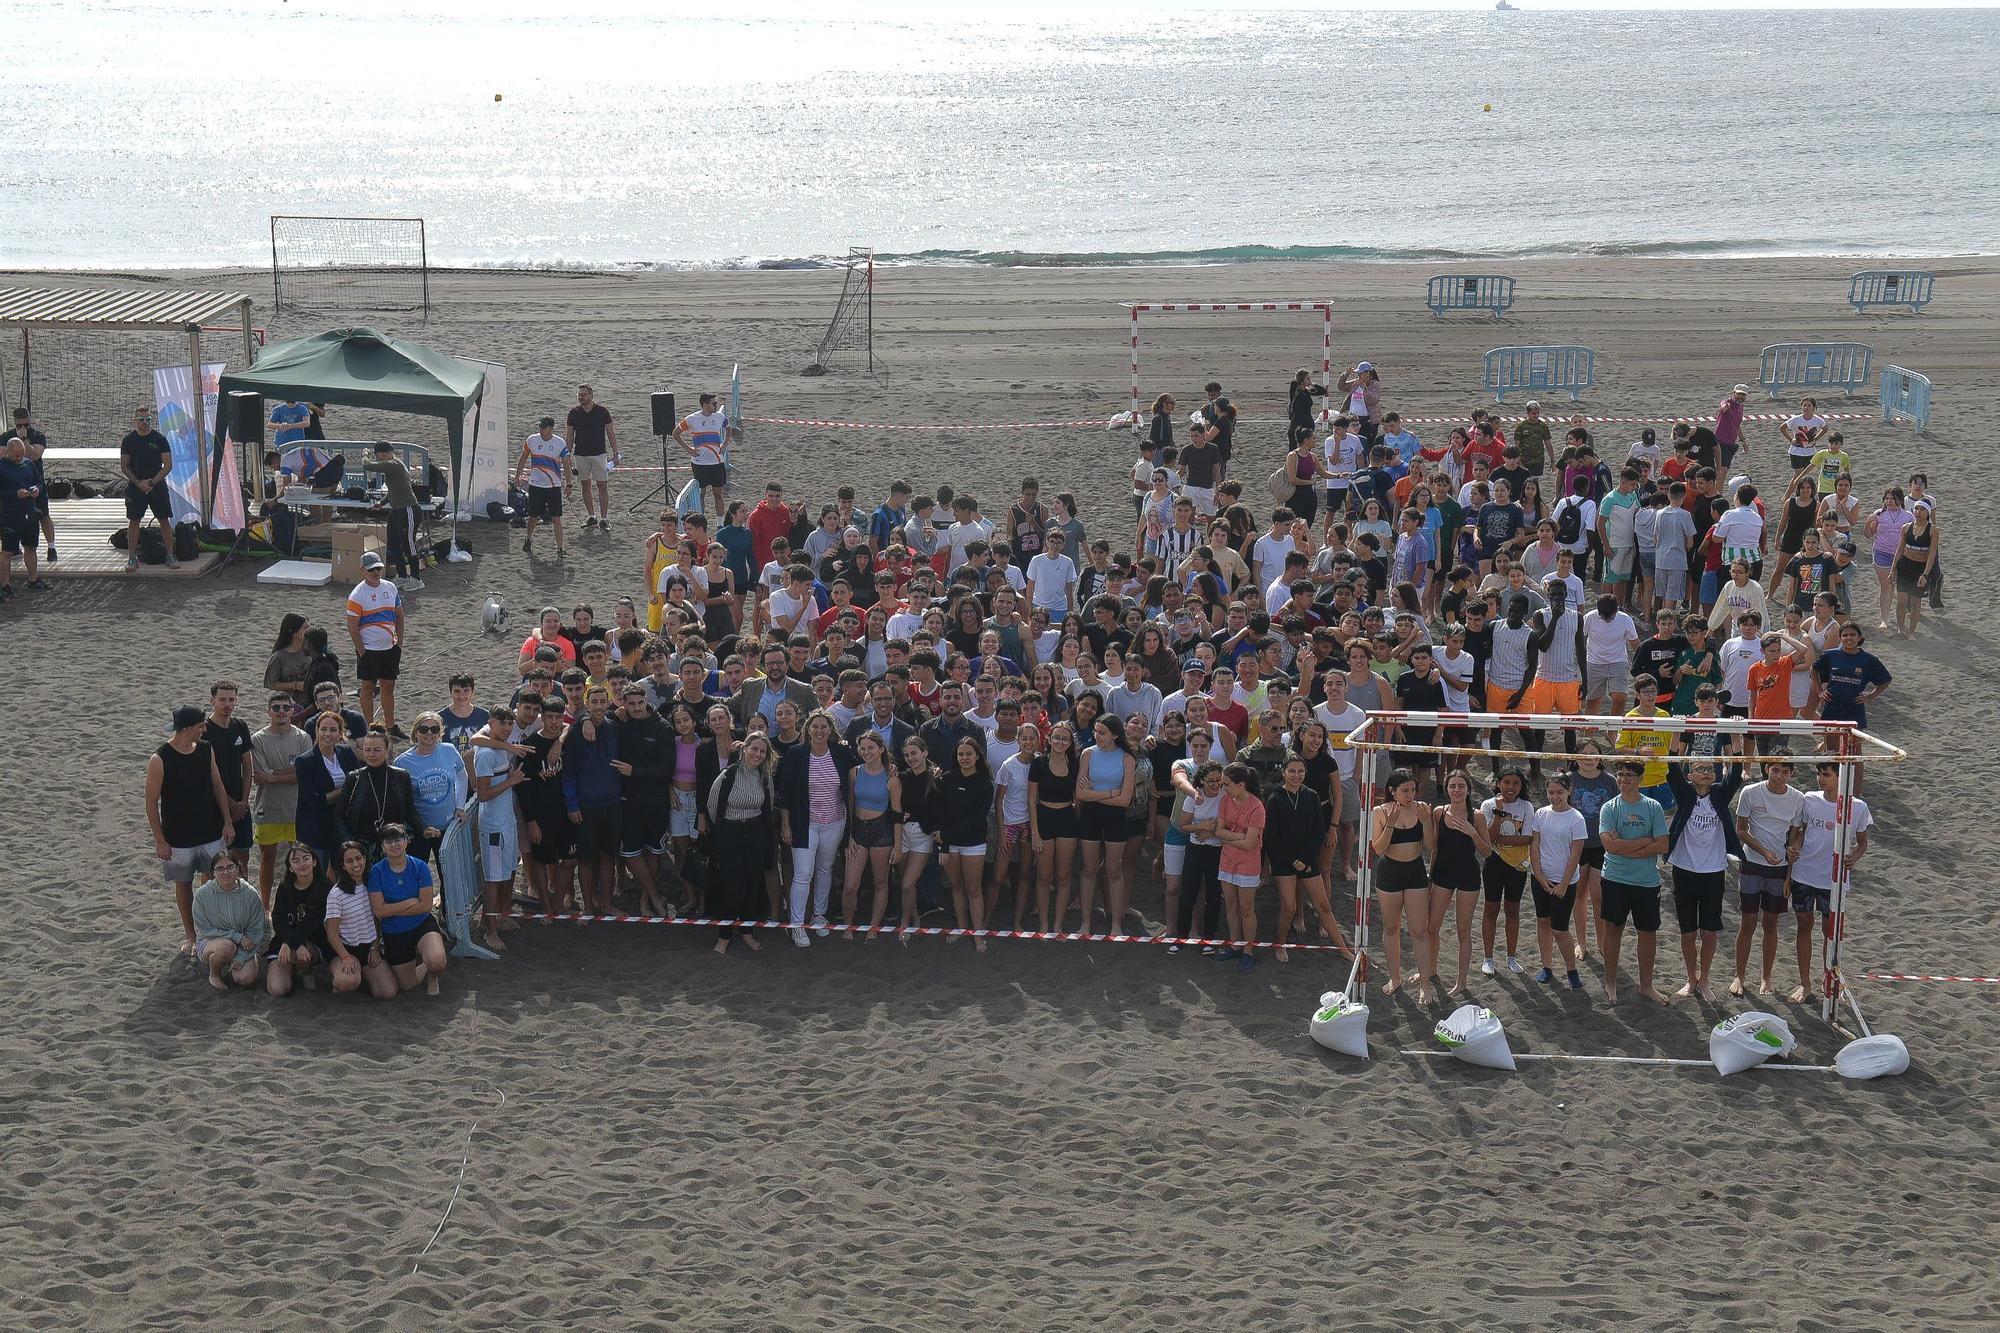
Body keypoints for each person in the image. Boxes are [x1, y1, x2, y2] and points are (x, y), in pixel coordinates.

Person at [147, 704, 235, 955]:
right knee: (183, 883)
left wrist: (227, 821)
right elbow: (151, 802)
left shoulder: (206, 749)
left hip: (210, 830)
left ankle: (209, 929)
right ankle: (190, 933)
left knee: (211, 880)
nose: (205, 729)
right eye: (200, 726)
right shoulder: (160, 758)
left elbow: (217, 785)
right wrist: (160, 840)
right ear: (187, 729)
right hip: (178, 836)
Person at [1787, 760, 1871, 1003]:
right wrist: (1794, 848)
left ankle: (1829, 980)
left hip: (1833, 879)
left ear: (1839, 776)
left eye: (1826, 774)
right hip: (1804, 873)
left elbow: (1863, 842)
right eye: (1818, 774)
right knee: (1804, 926)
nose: (1820, 779)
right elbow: (1801, 831)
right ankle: (1804, 984)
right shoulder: (1809, 799)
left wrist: (1853, 857)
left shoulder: (1858, 807)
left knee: (1830, 933)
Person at [1664, 759, 1745, 1001]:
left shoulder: (1720, 796)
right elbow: (1672, 768)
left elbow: (1736, 771)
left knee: (1709, 932)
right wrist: (1679, 731)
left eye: (1710, 769)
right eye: (1699, 769)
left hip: (1713, 872)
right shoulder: (1685, 795)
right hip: (1684, 870)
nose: (1706, 772)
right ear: (1690, 776)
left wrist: (1736, 735)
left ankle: (1705, 980)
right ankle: (1691, 979)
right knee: (1688, 932)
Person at [778, 712, 856, 946]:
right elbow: (786, 792)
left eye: (824, 727)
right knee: (803, 874)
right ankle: (797, 924)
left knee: (825, 869)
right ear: (808, 730)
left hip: (835, 821)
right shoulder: (795, 754)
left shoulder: (841, 753)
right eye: (815, 727)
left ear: (830, 730)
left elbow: (858, 775)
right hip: (804, 824)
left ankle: (819, 914)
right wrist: (785, 823)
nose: (820, 731)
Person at [1596, 761, 1670, 1005]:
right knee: (1613, 930)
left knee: (1647, 933)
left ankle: (1646, 986)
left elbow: (1662, 845)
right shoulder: (1609, 807)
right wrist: (1644, 842)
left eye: (1629, 775)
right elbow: (1609, 846)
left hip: (1646, 881)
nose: (1623, 779)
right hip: (1615, 878)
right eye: (1620, 775)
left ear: (1640, 778)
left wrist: (1624, 848)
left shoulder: (1653, 807)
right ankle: (1611, 982)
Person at [1732, 758, 1807, 997]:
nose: (1779, 776)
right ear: (1766, 769)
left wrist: (1789, 873)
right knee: (1748, 922)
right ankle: (1739, 976)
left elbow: (1795, 836)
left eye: (1785, 771)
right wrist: (1763, 851)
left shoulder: (1797, 798)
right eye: (1775, 770)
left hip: (1779, 868)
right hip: (1752, 863)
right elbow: (1741, 830)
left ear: (1791, 774)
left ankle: (1766, 977)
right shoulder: (1751, 792)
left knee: (1771, 923)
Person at [1427, 768, 1490, 998]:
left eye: (1461, 786)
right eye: (1452, 786)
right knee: (1431, 927)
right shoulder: (1438, 812)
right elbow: (1435, 847)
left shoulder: (1478, 815)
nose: (1456, 790)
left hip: (1467, 874)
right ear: (1447, 789)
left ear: (1468, 789)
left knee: (1463, 931)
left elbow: (1487, 852)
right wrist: (1430, 876)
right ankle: (1431, 970)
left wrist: (1473, 833)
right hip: (1443, 873)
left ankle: (1461, 981)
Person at [1369, 767, 1431, 994]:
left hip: (1415, 871)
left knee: (1419, 930)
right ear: (1392, 791)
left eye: (1413, 790)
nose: (1410, 795)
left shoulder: (1421, 809)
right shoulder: (1381, 811)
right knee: (1391, 927)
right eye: (1405, 790)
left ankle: (1425, 983)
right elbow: (1378, 849)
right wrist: (1391, 824)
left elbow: (1431, 845)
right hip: (1390, 873)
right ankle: (1395, 977)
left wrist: (1426, 822)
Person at [469, 706, 527, 950]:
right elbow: (483, 794)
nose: (506, 728)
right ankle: (490, 932)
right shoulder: (486, 754)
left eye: (509, 724)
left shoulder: (498, 746)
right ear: (490, 724)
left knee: (508, 873)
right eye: (501, 724)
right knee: (493, 879)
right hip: (493, 825)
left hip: (506, 821)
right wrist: (511, 781)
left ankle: (492, 920)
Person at [1074, 716, 1136, 940]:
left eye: (1102, 732)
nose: (1096, 736)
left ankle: (1116, 924)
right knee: (1089, 869)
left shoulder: (1127, 758)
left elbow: (1125, 800)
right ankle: (1085, 923)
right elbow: (1080, 794)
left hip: (1115, 817)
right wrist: (1111, 793)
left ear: (1115, 735)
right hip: (1090, 816)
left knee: (1113, 870)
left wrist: (1096, 795)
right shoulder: (1088, 754)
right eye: (1096, 731)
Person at [367, 824, 447, 995]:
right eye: (388, 841)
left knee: (438, 961)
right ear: (382, 846)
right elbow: (379, 912)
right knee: (407, 986)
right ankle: (425, 965)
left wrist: (392, 910)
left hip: (421, 924)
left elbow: (425, 907)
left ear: (406, 842)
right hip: (394, 931)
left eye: (398, 840)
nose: (394, 844)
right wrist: (410, 901)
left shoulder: (419, 867)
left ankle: (432, 974)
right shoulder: (377, 871)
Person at [249, 691, 313, 903]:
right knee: (268, 859)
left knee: (301, 860)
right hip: (269, 809)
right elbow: (260, 776)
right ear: (269, 711)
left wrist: (273, 775)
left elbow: (304, 775)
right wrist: (289, 772)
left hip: (298, 810)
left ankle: (300, 901)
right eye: (276, 708)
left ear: (292, 710)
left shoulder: (303, 737)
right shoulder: (258, 739)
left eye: (286, 707)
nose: (282, 712)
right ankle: (265, 905)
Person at [1527, 772, 1587, 990]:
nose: (1554, 796)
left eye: (1559, 792)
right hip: (1541, 878)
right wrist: (1540, 876)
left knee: (1560, 929)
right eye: (1551, 792)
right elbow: (1534, 845)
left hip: (1565, 881)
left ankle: (1571, 970)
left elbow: (1575, 854)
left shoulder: (1576, 818)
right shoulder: (1541, 814)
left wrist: (1563, 883)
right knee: (1542, 922)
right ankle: (1547, 966)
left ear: (1569, 791)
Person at [393, 711, 469, 866]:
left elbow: (462, 776)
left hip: (448, 828)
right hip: (419, 831)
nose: (429, 733)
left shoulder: (449, 750)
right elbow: (401, 800)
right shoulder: (402, 762)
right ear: (415, 732)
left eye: (434, 729)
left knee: (448, 876)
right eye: (423, 729)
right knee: (418, 876)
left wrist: (460, 806)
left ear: (440, 732)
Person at [324, 841, 397, 999]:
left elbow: (376, 919)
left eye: (358, 858)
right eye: (349, 861)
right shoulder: (336, 894)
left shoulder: (373, 884)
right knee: (347, 982)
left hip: (368, 947)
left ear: (365, 858)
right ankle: (338, 982)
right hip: (344, 949)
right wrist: (345, 957)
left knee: (387, 992)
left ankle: (364, 976)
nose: (355, 864)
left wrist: (374, 947)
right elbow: (332, 933)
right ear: (342, 866)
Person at [344, 551, 406, 736]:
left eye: (378, 568)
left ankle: (390, 726)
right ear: (362, 570)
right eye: (371, 569)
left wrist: (399, 643)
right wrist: (362, 650)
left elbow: (399, 616)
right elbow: (352, 626)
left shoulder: (390, 588)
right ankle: (370, 727)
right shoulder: (357, 595)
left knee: (388, 686)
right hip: (369, 649)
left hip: (389, 647)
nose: (375, 572)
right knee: (368, 688)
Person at [1214, 762, 1267, 972]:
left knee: (1246, 909)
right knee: (1231, 906)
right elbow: (1220, 832)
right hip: (1228, 861)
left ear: (1241, 785)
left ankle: (1248, 950)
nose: (1223, 788)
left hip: (1247, 864)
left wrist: (1230, 837)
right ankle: (1235, 944)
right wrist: (1238, 837)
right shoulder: (1226, 800)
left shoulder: (1257, 807)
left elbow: (1248, 844)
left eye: (1226, 784)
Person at [192, 849, 267, 991]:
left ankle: (238, 961)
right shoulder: (202, 895)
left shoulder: (250, 894)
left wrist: (242, 956)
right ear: (213, 873)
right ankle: (214, 974)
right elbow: (205, 929)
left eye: (230, 867)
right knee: (227, 947)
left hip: (245, 944)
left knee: (244, 978)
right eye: (219, 869)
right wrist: (237, 937)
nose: (225, 872)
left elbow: (256, 930)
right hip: (212, 941)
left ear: (238, 869)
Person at [266, 842, 333, 996]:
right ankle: (291, 970)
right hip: (285, 942)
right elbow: (278, 922)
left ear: (314, 861)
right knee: (278, 989)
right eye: (295, 861)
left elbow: (312, 921)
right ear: (290, 867)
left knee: (302, 954)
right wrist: (291, 943)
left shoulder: (325, 887)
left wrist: (295, 944)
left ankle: (306, 972)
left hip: (313, 942)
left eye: (306, 858)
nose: (302, 864)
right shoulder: (284, 888)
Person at [338, 729, 417, 859]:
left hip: (394, 845)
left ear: (387, 750)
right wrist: (350, 843)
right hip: (363, 848)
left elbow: (410, 811)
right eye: (367, 750)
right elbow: (339, 815)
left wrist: (424, 829)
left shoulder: (401, 776)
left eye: (376, 750)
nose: (371, 754)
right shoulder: (354, 778)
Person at [119, 407, 179, 572]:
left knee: (164, 519)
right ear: (135, 421)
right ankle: (132, 557)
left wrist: (152, 483)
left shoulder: (159, 439)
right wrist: (139, 483)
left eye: (147, 420)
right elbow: (124, 466)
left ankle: (170, 555)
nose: (144, 423)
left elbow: (168, 465)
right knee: (134, 521)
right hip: (136, 486)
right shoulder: (128, 440)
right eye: (141, 420)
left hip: (156, 485)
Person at [362, 441, 424, 589]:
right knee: (394, 544)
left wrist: (365, 454)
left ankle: (416, 579)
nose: (377, 459)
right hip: (396, 511)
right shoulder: (392, 467)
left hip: (408, 510)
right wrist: (381, 504)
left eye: (377, 456)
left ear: (383, 454)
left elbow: (367, 465)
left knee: (409, 545)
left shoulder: (393, 464)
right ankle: (402, 575)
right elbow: (393, 491)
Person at [513, 415, 573, 557]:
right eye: (539, 426)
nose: (540, 429)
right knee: (533, 517)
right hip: (536, 485)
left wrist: (569, 484)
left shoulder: (560, 443)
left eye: (543, 427)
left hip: (553, 486)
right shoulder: (532, 440)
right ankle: (528, 538)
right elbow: (523, 458)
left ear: (551, 428)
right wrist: (517, 476)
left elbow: (566, 463)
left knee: (556, 518)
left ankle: (560, 548)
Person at [0, 430, 47, 595]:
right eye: (16, 455)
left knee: (31, 547)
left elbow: (39, 482)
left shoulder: (28, 464)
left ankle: (33, 579)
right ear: (7, 452)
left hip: (29, 512)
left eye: (21, 455)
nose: (19, 458)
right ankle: (5, 586)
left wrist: (36, 490)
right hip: (11, 514)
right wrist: (15, 494)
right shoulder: (1, 467)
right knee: (8, 551)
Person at [566, 384, 619, 531]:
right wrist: (566, 454)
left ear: (591, 395)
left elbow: (610, 433)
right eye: (579, 395)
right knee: (585, 484)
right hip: (580, 454)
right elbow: (570, 436)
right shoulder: (574, 413)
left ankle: (604, 518)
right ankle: (591, 517)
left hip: (599, 454)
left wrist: (615, 452)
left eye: (583, 394)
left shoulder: (602, 412)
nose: (581, 397)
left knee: (602, 485)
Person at [675, 391, 732, 518]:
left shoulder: (719, 417)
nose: (716, 405)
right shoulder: (692, 419)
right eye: (714, 403)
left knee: (718, 494)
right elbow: (675, 433)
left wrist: (724, 444)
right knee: (701, 493)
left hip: (717, 462)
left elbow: (728, 427)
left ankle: (719, 523)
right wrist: (688, 449)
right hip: (699, 464)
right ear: (705, 405)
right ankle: (701, 519)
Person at [1890, 499, 1935, 638]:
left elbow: (1931, 555)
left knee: (1916, 602)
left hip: (1920, 568)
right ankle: (1900, 628)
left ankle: (1911, 632)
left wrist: (1925, 574)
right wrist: (1892, 570)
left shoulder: (1933, 530)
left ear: (1927, 512)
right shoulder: (1906, 527)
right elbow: (1899, 550)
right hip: (1905, 565)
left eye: (1922, 510)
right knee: (1901, 600)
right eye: (1916, 509)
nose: (1918, 512)